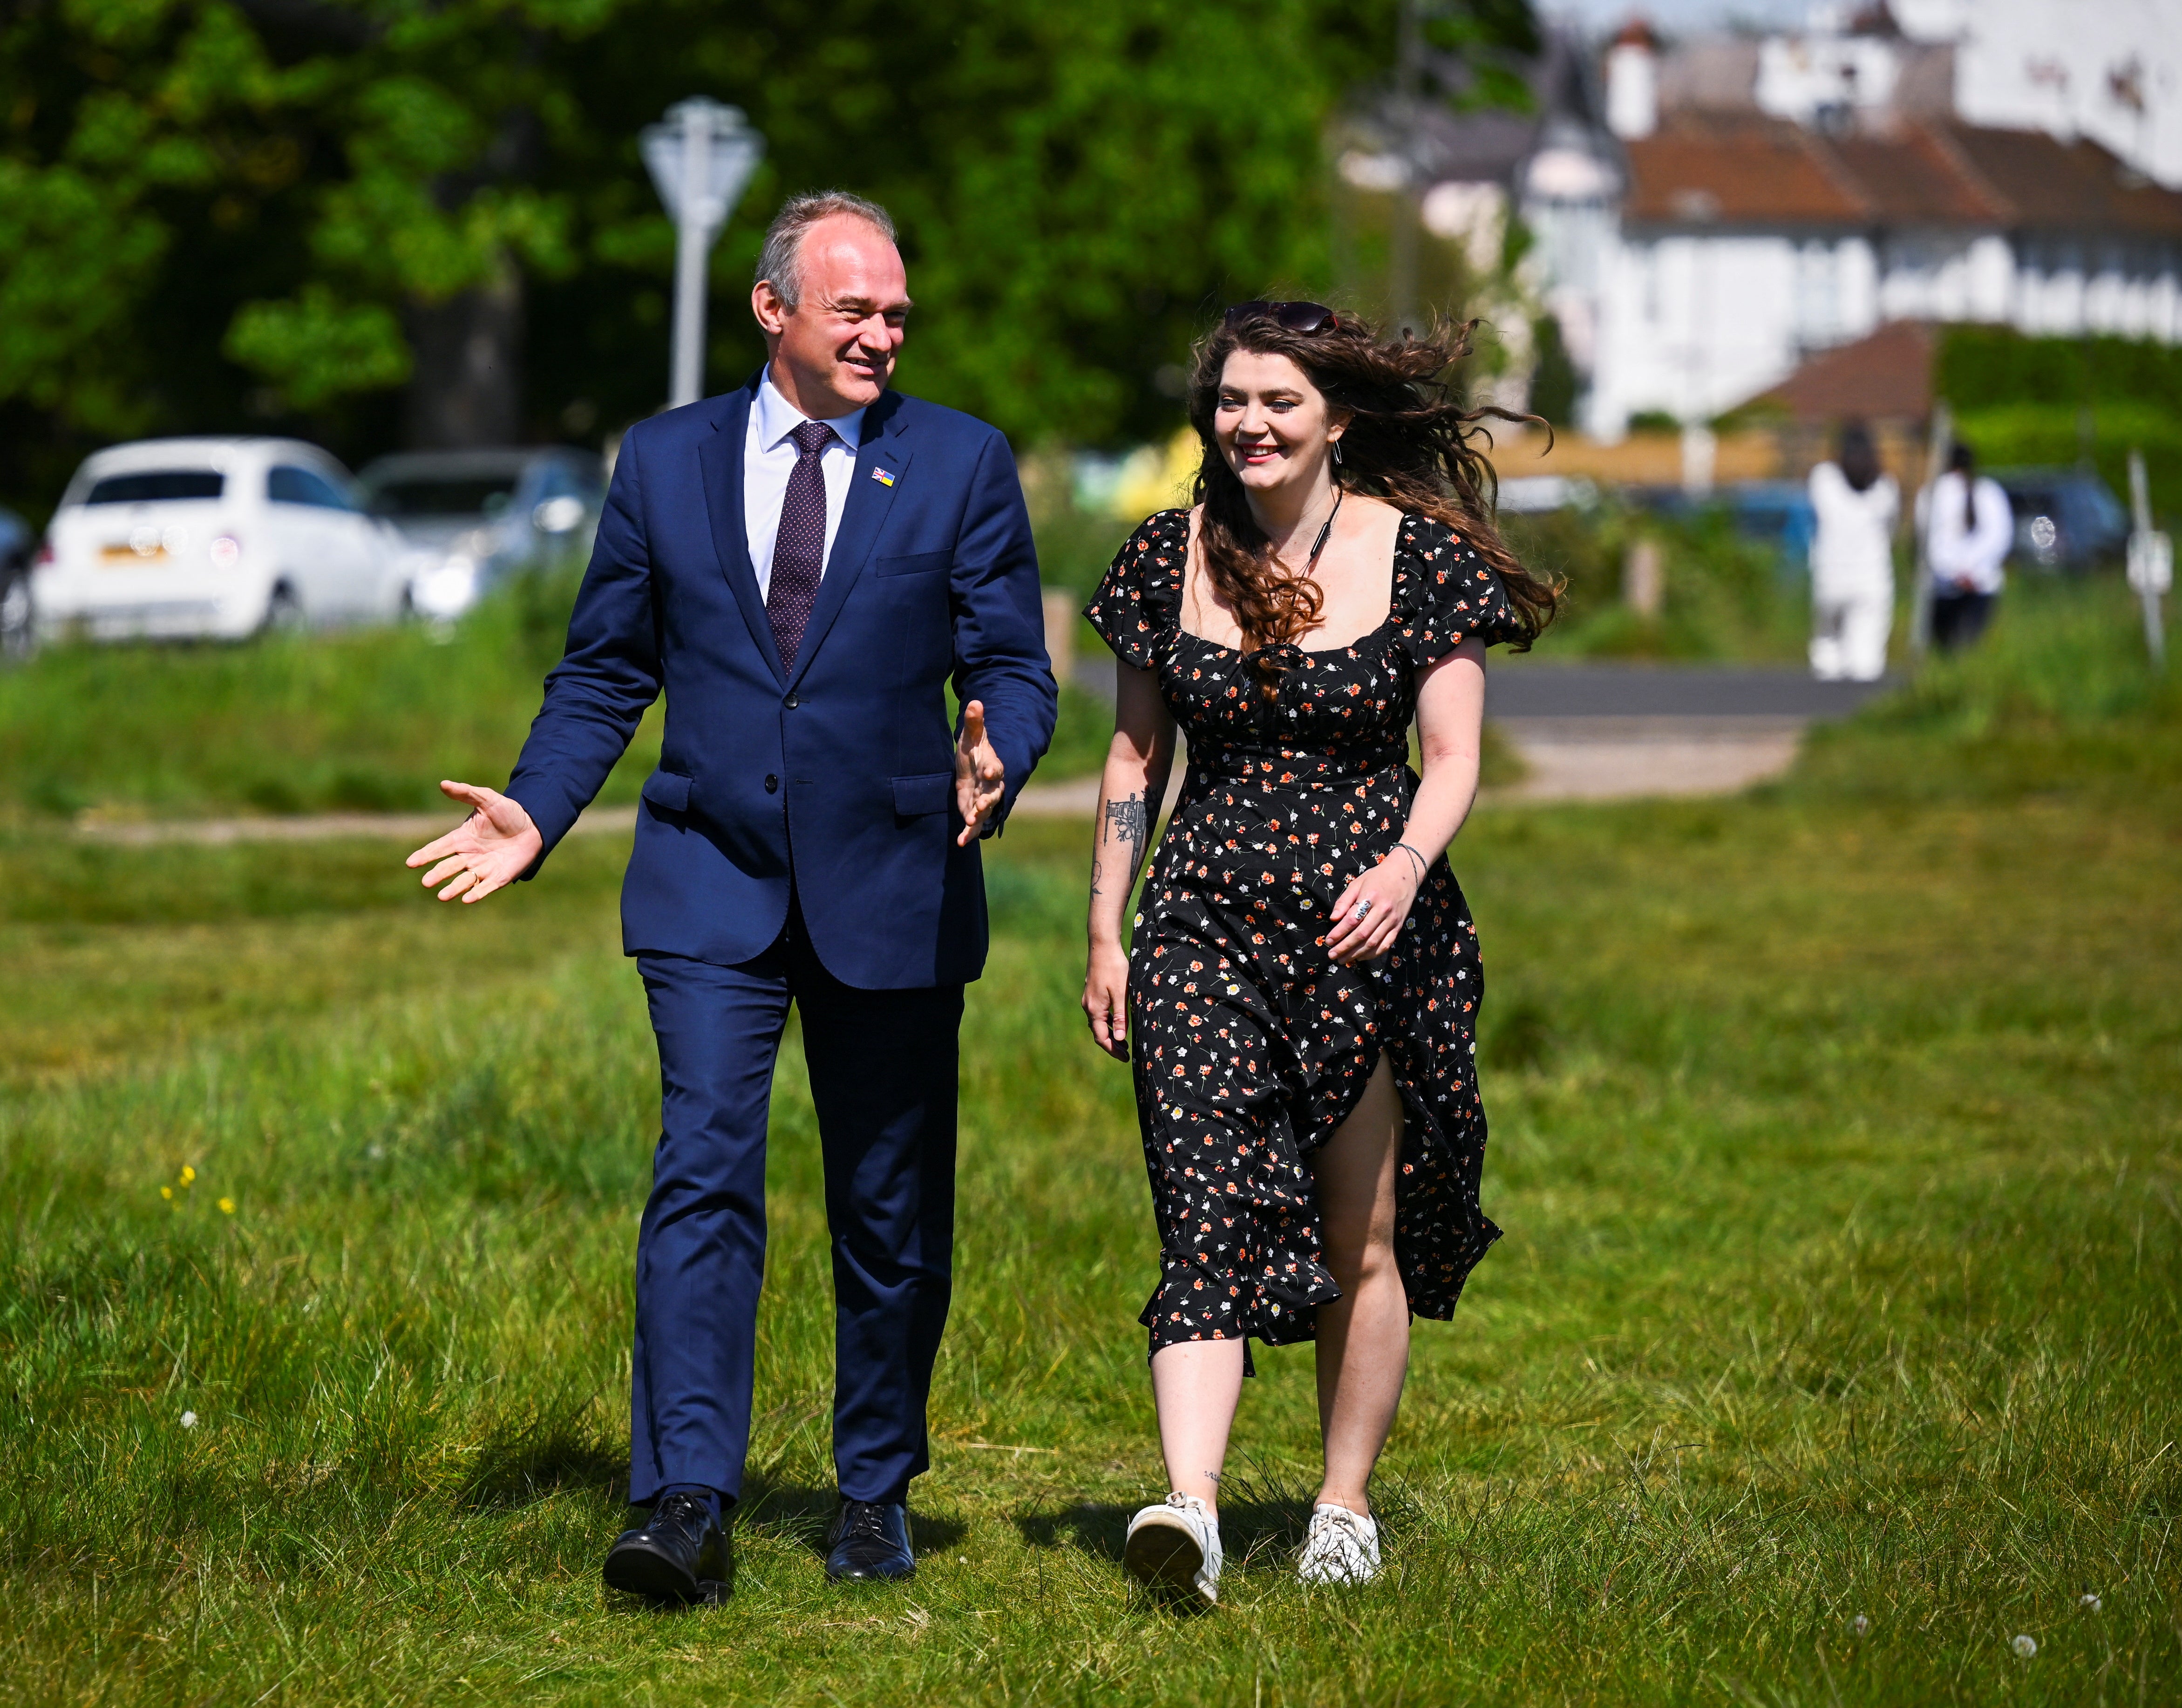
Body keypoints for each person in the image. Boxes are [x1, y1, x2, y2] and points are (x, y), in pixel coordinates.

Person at [402, 191, 1057, 1606]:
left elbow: (1014, 657)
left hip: (895, 877)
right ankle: (683, 1498)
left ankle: (873, 1487)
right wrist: (542, 805)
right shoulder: (667, 460)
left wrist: (1001, 740)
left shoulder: (958, 464)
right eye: (855, 311)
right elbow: (602, 668)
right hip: (708, 878)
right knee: (702, 1171)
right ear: (773, 311)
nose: (885, 334)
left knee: (888, 1206)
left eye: (896, 313)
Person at [1079, 302, 1558, 1606]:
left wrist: (1402, 870)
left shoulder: (1418, 558)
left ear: (1333, 417)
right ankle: (1190, 1507)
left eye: (1277, 402)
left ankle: (1341, 1506)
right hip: (1200, 921)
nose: (1249, 423)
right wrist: (1104, 930)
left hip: (1366, 930)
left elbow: (1451, 755)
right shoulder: (1163, 557)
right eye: (1230, 401)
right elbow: (1134, 758)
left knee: (1363, 1233)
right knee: (1203, 1212)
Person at [1806, 420, 1898, 682]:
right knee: (1866, 660)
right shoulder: (1885, 488)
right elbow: (1891, 529)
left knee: (1827, 650)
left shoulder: (1823, 479)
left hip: (1830, 576)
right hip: (1872, 578)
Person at [1925, 441, 2012, 653]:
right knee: (1967, 648)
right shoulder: (1989, 491)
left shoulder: (1935, 493)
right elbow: (2000, 538)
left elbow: (1930, 544)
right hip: (1977, 584)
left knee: (1947, 650)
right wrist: (1969, 571)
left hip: (1948, 586)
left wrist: (1956, 572)